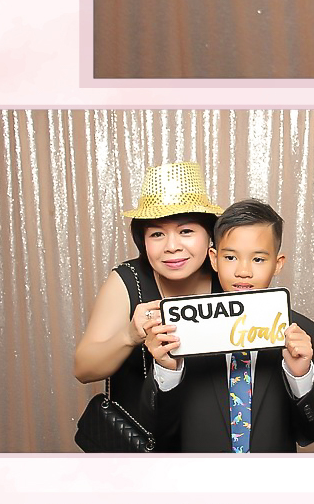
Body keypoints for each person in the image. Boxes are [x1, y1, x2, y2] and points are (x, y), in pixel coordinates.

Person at [143, 198, 314, 452]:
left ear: (278, 264)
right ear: (214, 259)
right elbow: (156, 431)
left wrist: (300, 375)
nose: (243, 271)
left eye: (258, 260)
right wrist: (167, 370)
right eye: (231, 257)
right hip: (198, 475)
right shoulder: (183, 329)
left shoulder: (302, 332)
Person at [71, 160, 225, 451]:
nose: (172, 246)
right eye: (157, 234)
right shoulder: (128, 280)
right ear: (142, 240)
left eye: (186, 231)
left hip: (212, 447)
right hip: (141, 450)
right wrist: (129, 336)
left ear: (209, 236)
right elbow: (83, 369)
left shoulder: (227, 279)